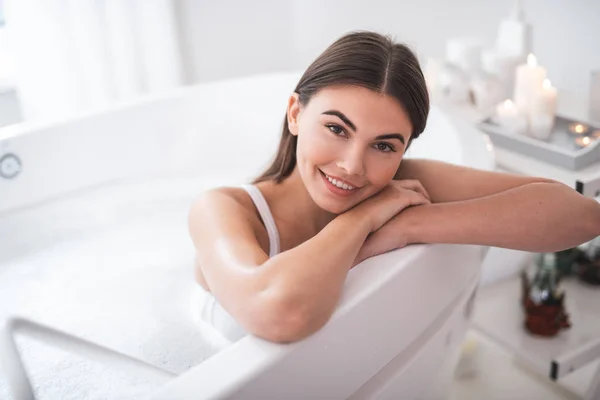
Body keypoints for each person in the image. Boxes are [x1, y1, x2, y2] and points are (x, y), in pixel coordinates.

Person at [188, 31, 600, 344]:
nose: (352, 165)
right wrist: (362, 221)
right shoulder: (223, 210)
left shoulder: (401, 182)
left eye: (384, 145)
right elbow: (281, 314)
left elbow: (580, 216)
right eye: (336, 128)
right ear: (296, 113)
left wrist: (411, 226)